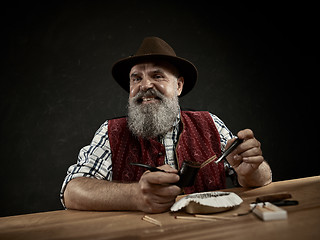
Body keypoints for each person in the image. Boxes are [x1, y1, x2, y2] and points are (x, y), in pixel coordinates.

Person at [60, 37, 272, 213]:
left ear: (178, 86)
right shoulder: (111, 132)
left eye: (157, 75)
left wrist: (251, 170)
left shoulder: (210, 124)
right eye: (136, 79)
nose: (144, 85)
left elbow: (258, 180)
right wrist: (134, 195)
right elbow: (72, 191)